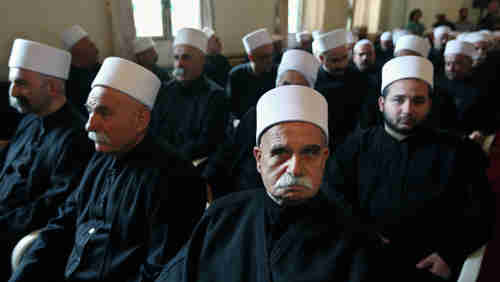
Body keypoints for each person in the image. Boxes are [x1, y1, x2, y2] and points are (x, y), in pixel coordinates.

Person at [156, 85, 385, 282]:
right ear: (258, 158)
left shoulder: (355, 238)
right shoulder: (221, 218)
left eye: (309, 153)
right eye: (280, 153)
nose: (295, 168)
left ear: (324, 158)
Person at [9, 57, 207, 281]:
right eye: (90, 111)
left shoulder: (176, 178)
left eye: (104, 113)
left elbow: (161, 271)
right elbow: (62, 226)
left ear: (141, 119)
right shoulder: (100, 158)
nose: (89, 124)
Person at [327, 55, 494, 282]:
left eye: (417, 101)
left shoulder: (459, 151)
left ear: (429, 104)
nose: (407, 109)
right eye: (399, 100)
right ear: (381, 103)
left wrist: (449, 254)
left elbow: (483, 211)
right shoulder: (355, 146)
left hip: (426, 265)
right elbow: (333, 198)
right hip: (363, 260)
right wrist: (360, 235)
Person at [1, 39, 94, 281]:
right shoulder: (28, 119)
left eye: (21, 84)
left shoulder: (75, 137)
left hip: (20, 237)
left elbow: (51, 206)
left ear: (52, 87)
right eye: (12, 83)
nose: (12, 92)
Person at [211, 49, 320, 195]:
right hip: (243, 188)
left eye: (298, 88)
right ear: (277, 84)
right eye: (285, 84)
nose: (289, 92)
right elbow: (230, 148)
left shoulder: (315, 122)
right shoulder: (256, 113)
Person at [150, 27, 228, 185]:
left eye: (186, 58)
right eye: (176, 58)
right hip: (161, 164)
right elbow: (154, 130)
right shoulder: (164, 91)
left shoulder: (215, 96)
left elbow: (209, 142)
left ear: (202, 60)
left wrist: (172, 159)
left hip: (196, 167)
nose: (179, 64)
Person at [313, 29, 371, 148]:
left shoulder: (358, 76)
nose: (341, 64)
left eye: (344, 58)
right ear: (321, 58)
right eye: (334, 60)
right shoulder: (314, 80)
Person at [226, 28, 277, 119]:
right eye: (264, 57)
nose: (269, 61)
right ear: (251, 57)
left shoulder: (278, 72)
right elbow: (231, 108)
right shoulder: (237, 75)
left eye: (271, 55)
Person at [61, 25, 101, 116]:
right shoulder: (68, 81)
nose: (96, 50)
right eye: (90, 46)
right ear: (76, 53)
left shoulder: (102, 69)